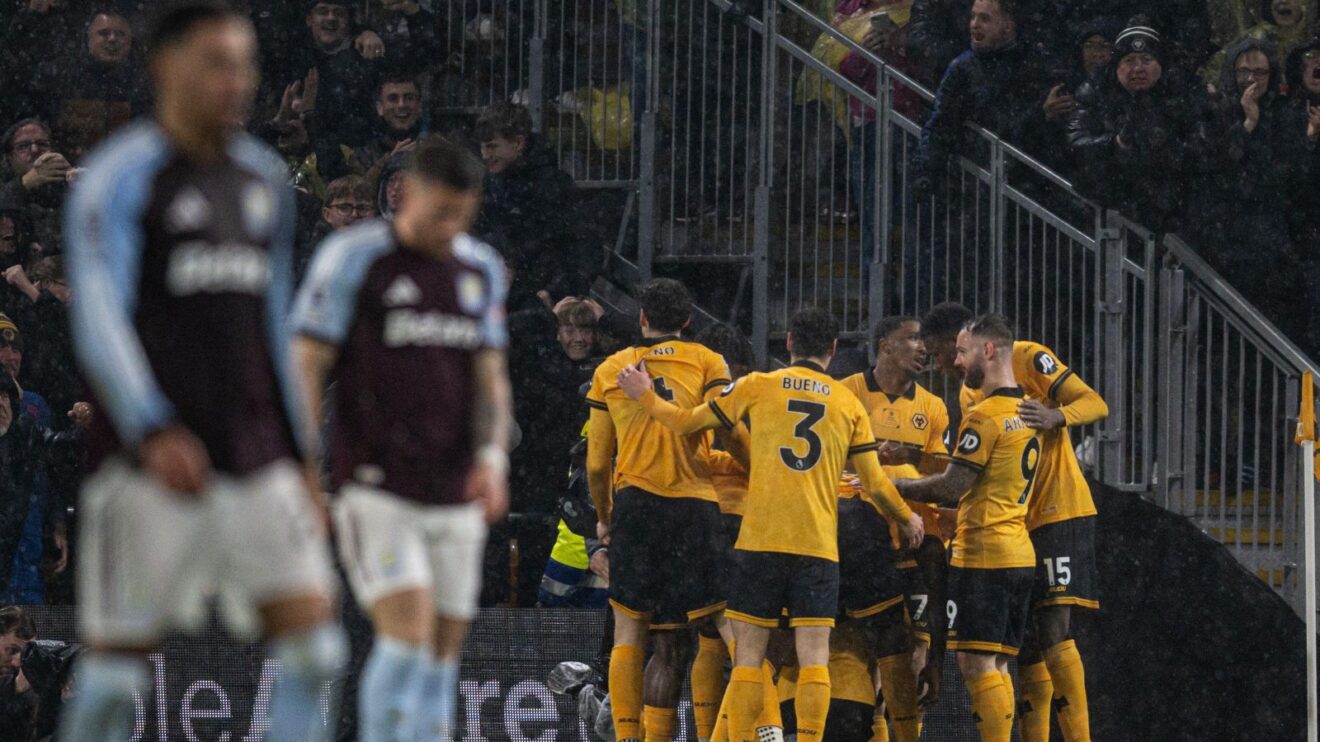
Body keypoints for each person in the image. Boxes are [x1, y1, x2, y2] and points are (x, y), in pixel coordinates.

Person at [61, 4, 345, 740]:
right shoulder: (120, 176)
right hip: (147, 462)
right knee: (113, 681)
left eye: (244, 65)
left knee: (315, 651)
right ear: (166, 66)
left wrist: (302, 458)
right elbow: (99, 317)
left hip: (254, 457)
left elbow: (272, 329)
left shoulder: (263, 178)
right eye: (217, 62)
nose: (236, 81)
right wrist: (151, 424)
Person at [615, 307, 923, 742]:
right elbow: (874, 482)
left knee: (748, 660)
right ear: (833, 349)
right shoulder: (848, 402)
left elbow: (685, 423)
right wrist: (906, 517)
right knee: (814, 658)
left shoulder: (757, 385)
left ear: (789, 341)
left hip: (760, 543)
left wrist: (645, 394)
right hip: (817, 546)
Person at [292, 136, 512, 742]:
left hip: (452, 484)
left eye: (462, 216)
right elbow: (305, 364)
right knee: (405, 631)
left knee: (442, 647)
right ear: (405, 194)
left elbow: (490, 377)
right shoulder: (352, 258)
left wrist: (492, 457)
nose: (450, 229)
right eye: (440, 213)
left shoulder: (479, 268)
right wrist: (302, 467)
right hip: (374, 484)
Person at [922, 302, 1108, 742]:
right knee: (1024, 646)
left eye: (944, 352)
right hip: (1014, 523)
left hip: (1058, 508)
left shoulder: (1027, 356)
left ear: (967, 341)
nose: (944, 364)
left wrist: (1058, 416)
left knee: (1053, 632)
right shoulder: (970, 394)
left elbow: (1095, 402)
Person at [586, 278, 733, 742]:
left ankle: (631, 737)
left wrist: (605, 517)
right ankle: (755, 728)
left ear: (642, 318)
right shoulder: (709, 360)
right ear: (688, 320)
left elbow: (596, 464)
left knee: (633, 635)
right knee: (729, 631)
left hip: (637, 507)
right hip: (696, 505)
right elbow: (728, 428)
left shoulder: (613, 368)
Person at [890, 314, 1041, 742]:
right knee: (997, 664)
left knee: (975, 664)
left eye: (962, 351)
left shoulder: (984, 416)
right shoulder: (1027, 412)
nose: (956, 361)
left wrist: (891, 486)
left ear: (987, 351)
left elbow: (952, 486)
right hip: (1018, 553)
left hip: (986, 555)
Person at [839, 316, 951, 742]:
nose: (923, 348)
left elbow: (944, 472)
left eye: (923, 340)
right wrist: (869, 457)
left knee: (914, 650)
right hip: (862, 536)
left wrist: (912, 457)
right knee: (868, 648)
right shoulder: (848, 392)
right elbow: (828, 455)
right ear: (885, 345)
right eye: (913, 338)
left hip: (915, 536)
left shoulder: (933, 406)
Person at [1067, 19, 1214, 232]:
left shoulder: (1183, 94)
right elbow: (1077, 145)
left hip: (1171, 214)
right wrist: (1115, 143)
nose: (1138, 68)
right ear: (1116, 66)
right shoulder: (1094, 91)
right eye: (1129, 60)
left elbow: (1202, 148)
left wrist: (1165, 146)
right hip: (1108, 212)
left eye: (1146, 60)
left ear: (1160, 65)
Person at [474, 102, 594, 312]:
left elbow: (582, 247)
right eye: (483, 147)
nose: (485, 155)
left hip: (543, 301)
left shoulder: (554, 186)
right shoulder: (487, 187)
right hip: (502, 297)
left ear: (518, 143)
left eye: (492, 146)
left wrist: (554, 293)